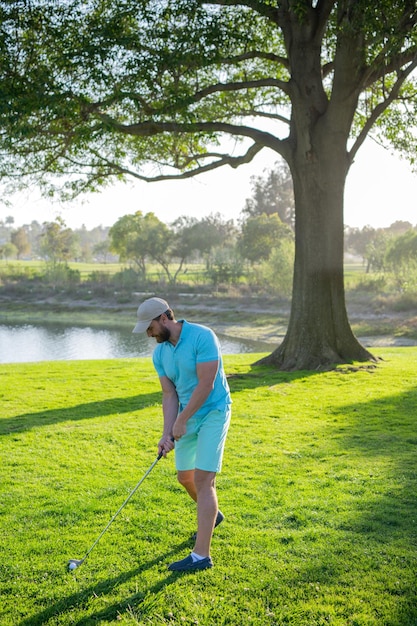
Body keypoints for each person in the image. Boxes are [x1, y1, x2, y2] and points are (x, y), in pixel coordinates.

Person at [133, 296, 231, 571]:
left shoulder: (202, 337)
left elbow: (207, 383)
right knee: (184, 477)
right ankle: (212, 515)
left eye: (150, 327)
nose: (148, 334)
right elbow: (169, 394)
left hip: (213, 411)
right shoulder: (160, 353)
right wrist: (167, 432)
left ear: (164, 318)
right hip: (186, 416)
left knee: (202, 480)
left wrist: (182, 420)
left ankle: (201, 556)